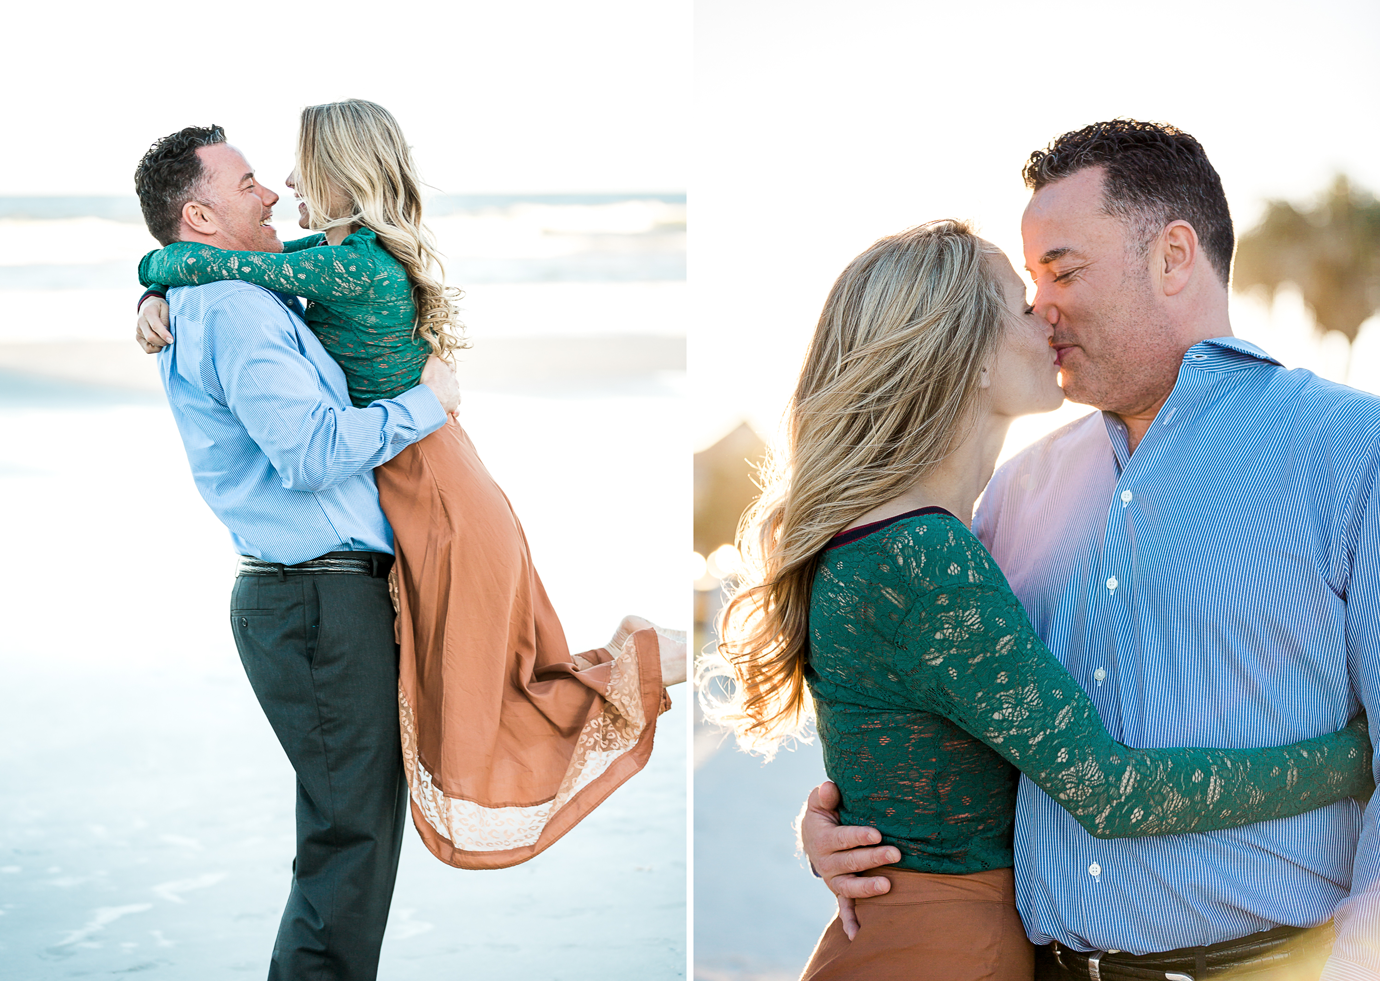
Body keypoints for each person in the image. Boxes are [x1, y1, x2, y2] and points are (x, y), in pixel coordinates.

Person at [700, 217, 1374, 980]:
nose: (1046, 313)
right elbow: (1110, 790)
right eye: (1023, 302)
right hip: (945, 952)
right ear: (969, 356)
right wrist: (1350, 759)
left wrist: (833, 819)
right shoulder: (926, 556)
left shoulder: (933, 533)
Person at [134, 111, 683, 978]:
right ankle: (642, 665)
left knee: (363, 824)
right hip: (313, 596)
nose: (272, 188)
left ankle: (640, 666)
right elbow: (312, 454)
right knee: (351, 838)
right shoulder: (237, 307)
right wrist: (431, 403)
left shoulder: (251, 293)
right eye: (245, 185)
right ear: (199, 218)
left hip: (333, 590)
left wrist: (154, 285)